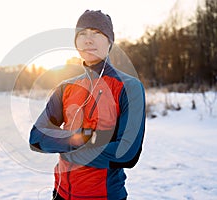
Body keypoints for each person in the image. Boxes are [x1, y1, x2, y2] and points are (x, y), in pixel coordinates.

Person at [29, 10, 146, 200]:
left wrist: (63, 146)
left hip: (105, 196)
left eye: (96, 33)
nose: (88, 40)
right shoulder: (65, 87)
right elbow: (36, 138)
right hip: (60, 193)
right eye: (82, 34)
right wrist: (87, 138)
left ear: (110, 41)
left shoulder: (129, 87)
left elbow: (127, 154)